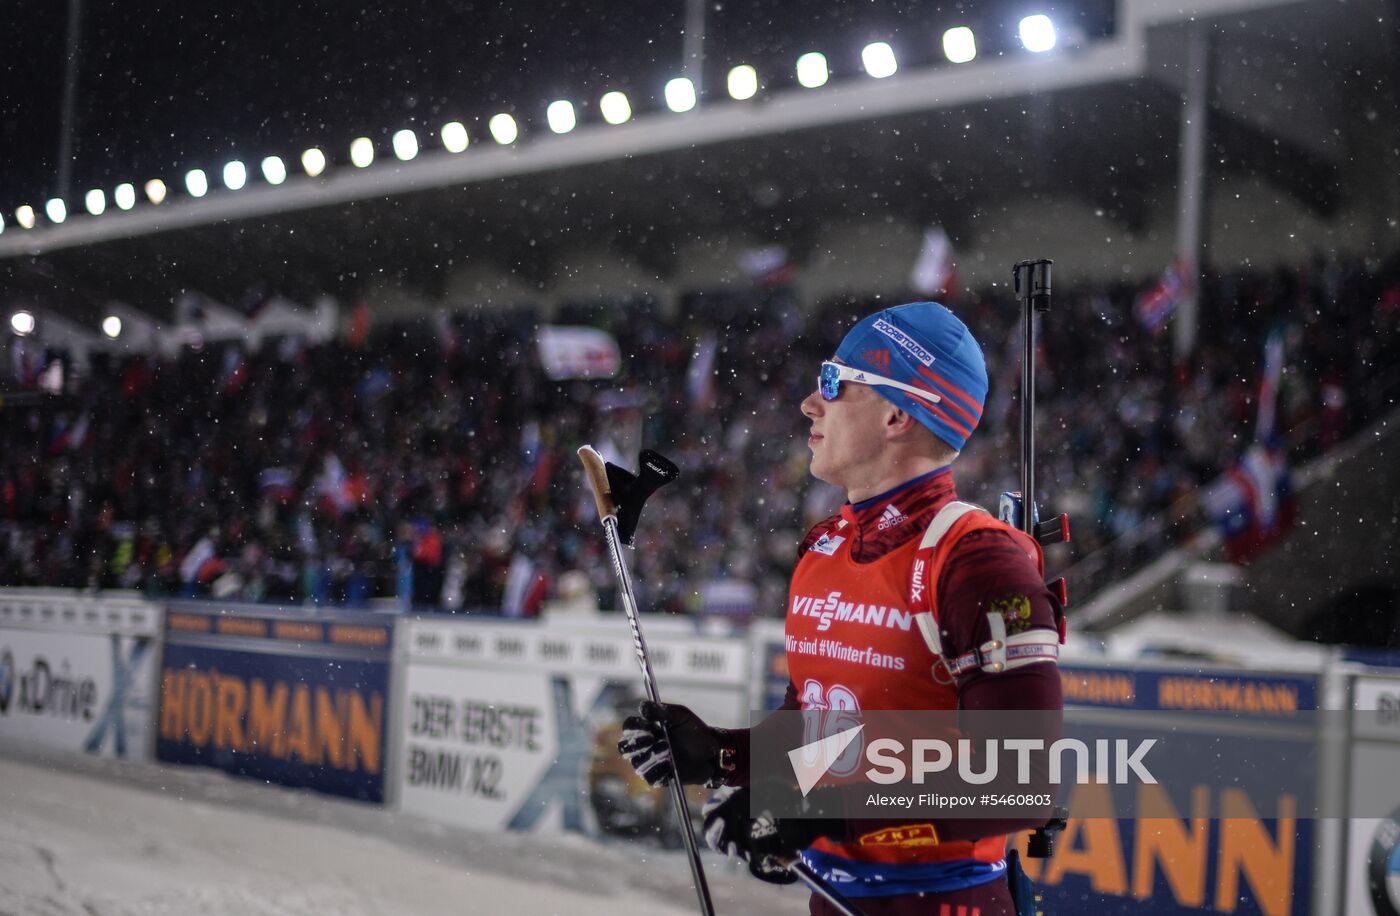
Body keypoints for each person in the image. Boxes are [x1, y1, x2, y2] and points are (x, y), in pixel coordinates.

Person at [619, 302, 1065, 915]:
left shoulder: (978, 560)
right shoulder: (825, 547)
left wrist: (817, 810)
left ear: (897, 415)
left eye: (834, 383)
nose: (810, 403)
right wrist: (723, 753)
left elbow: (1019, 785)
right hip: (832, 900)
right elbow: (821, 731)